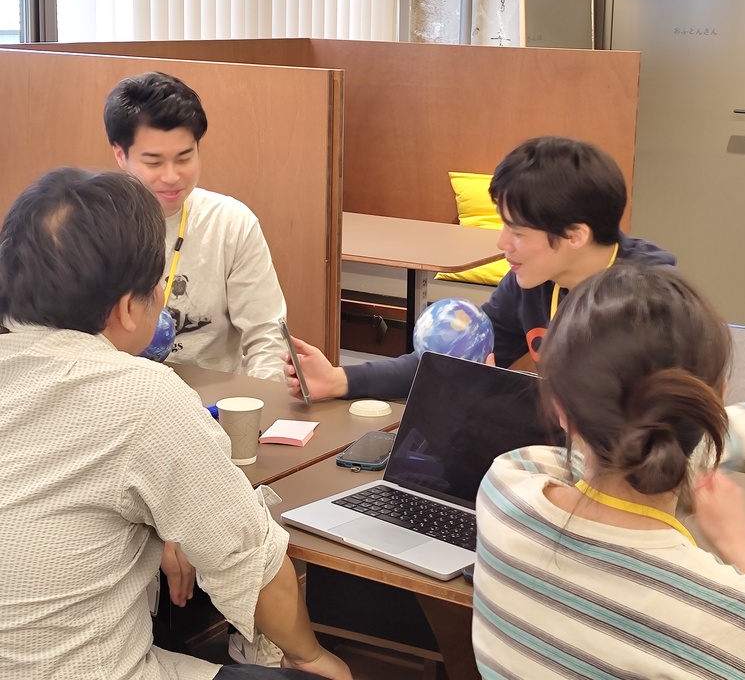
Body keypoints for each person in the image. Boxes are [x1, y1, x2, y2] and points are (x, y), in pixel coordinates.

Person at [0, 168, 351, 680]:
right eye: (157, 282)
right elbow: (249, 562)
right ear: (128, 309)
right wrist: (311, 658)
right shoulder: (140, 395)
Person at [473, 264, 745, 679]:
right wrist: (739, 549)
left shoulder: (506, 485)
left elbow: (626, 444)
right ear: (717, 399)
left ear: (559, 406)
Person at [284, 136, 676, 401]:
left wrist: (492, 393)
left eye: (517, 231)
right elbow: (454, 359)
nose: (502, 243)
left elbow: (648, 426)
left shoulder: (650, 303)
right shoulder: (533, 282)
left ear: (575, 235)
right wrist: (340, 380)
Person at [105, 71, 287, 381]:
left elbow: (267, 337)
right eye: (154, 162)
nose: (172, 176)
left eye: (184, 158)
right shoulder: (91, 226)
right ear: (121, 154)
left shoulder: (230, 222)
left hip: (213, 398)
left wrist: (261, 400)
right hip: (118, 391)